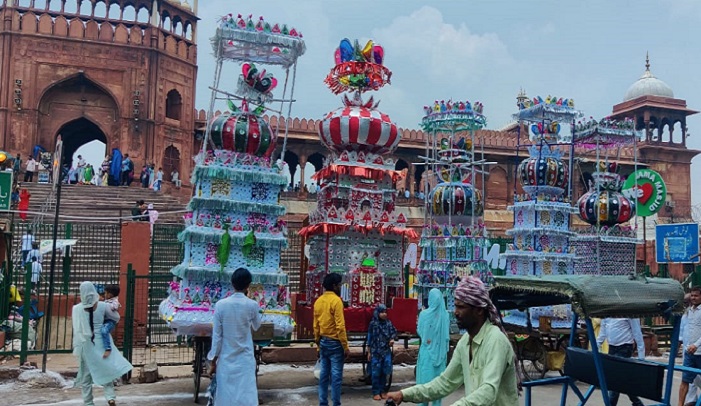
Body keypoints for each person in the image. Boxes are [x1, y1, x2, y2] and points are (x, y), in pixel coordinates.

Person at [387, 277, 519, 406]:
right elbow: (445, 382)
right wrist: (404, 394)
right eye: (455, 306)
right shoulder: (465, 342)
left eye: (461, 307)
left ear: (479, 310)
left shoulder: (495, 340)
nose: (455, 312)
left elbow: (488, 391)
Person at [207, 267, 262, 405]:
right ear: (248, 285)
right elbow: (257, 326)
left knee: (226, 398)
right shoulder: (252, 305)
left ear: (232, 284)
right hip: (245, 360)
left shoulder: (221, 305)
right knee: (246, 398)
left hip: (226, 360)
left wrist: (213, 360)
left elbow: (217, 337)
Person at [72, 281, 132, 406]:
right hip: (101, 344)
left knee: (86, 376)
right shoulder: (102, 305)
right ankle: (110, 397)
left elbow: (76, 329)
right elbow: (116, 318)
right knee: (106, 370)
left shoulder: (76, 309)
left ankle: (88, 403)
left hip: (86, 345)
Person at [314, 272, 349, 406]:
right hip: (335, 342)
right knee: (336, 377)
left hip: (323, 341)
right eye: (339, 284)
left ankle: (322, 402)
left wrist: (318, 344)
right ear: (334, 286)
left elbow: (316, 326)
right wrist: (345, 346)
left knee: (323, 375)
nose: (340, 287)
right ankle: (336, 403)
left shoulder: (318, 301)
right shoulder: (336, 301)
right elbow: (340, 326)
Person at [595, 318, 645, 406]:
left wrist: (641, 356)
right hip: (612, 347)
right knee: (622, 379)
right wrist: (596, 346)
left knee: (616, 379)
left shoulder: (628, 313)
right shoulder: (606, 314)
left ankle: (610, 404)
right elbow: (603, 331)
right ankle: (637, 402)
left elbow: (637, 332)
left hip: (624, 347)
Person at [416, 288, 450, 406]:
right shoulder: (445, 315)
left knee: (424, 386)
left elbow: (420, 332)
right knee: (437, 387)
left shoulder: (424, 314)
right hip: (441, 355)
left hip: (427, 354)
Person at [367, 303, 397, 400]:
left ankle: (383, 391)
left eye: (385, 312)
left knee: (385, 371)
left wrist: (392, 339)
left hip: (386, 351)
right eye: (382, 312)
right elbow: (369, 339)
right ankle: (376, 392)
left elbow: (394, 332)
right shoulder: (373, 324)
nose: (384, 314)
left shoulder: (388, 323)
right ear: (377, 313)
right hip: (375, 351)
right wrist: (369, 352)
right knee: (376, 372)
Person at [680, 286, 701, 406]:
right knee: (685, 380)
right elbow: (685, 330)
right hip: (689, 351)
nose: (693, 298)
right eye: (692, 295)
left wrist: (696, 345)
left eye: (696, 295)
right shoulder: (689, 311)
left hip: (699, 351)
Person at [101, 284, 121, 359]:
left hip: (110, 321)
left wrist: (106, 306)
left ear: (110, 295)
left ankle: (108, 348)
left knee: (104, 331)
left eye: (105, 293)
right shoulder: (107, 300)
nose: (104, 294)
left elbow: (115, 307)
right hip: (104, 320)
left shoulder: (114, 301)